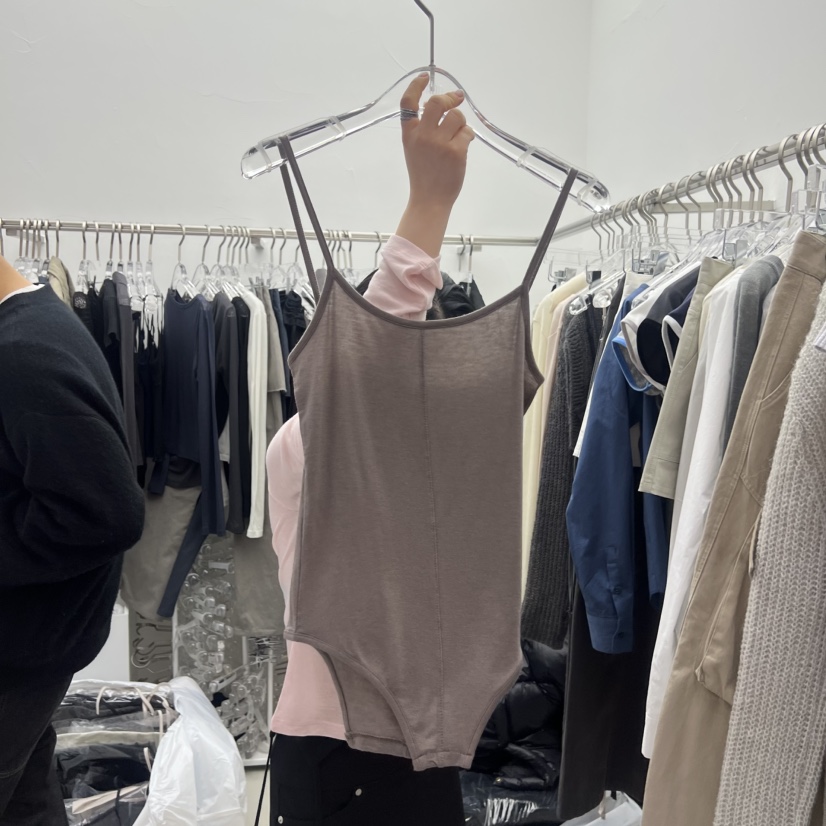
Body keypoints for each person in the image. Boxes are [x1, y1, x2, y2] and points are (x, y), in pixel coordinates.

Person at [265, 74, 475, 825]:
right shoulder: (303, 447)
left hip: (421, 744)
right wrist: (428, 208)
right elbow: (363, 386)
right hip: (339, 753)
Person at [0, 257, 145, 824]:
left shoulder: (23, 351)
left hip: (19, 661)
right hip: (30, 654)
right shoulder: (34, 327)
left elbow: (102, 513)